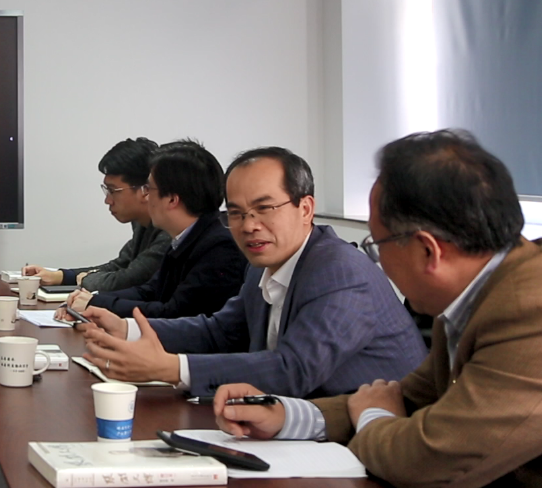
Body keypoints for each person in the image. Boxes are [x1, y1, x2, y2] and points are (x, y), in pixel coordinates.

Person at [213, 131, 542, 488]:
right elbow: (409, 397)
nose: (377, 262)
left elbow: (428, 463)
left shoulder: (534, 311)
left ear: (428, 251)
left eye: (376, 245)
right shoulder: (475, 293)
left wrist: (374, 417)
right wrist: (285, 416)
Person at [76, 147, 426, 397]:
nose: (249, 225)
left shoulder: (339, 271)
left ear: (305, 209)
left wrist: (171, 369)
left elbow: (293, 369)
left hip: (370, 439)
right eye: (237, 213)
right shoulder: (263, 267)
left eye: (264, 208)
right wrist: (127, 328)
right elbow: (218, 332)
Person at [77, 140, 247, 319]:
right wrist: (94, 299)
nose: (146, 197)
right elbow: (150, 290)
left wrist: (96, 303)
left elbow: (174, 312)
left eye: (148, 189)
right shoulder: (184, 237)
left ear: (172, 200)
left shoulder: (220, 247)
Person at [23, 137, 170, 291]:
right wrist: (61, 276)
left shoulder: (169, 231)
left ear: (145, 190)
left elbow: (128, 279)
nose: (108, 200)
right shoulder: (142, 223)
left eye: (113, 191)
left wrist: (85, 279)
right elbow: (119, 266)